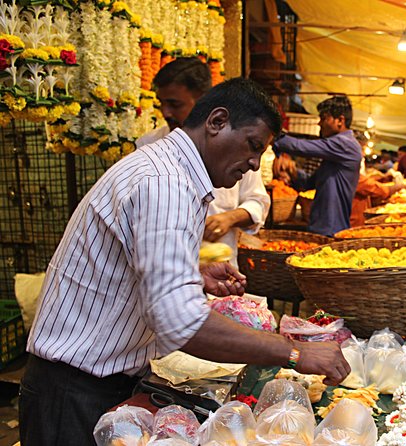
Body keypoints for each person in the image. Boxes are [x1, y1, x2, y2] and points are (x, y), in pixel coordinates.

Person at [19, 78, 351, 446]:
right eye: (253, 146)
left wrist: (191, 273)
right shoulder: (165, 182)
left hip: (95, 383)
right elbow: (182, 323)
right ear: (216, 122)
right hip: (73, 391)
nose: (255, 163)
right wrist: (294, 351)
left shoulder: (171, 173)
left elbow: (129, 263)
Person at [136, 58, 270, 269]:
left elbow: (258, 202)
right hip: (166, 269)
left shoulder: (236, 150)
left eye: (174, 104)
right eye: (161, 103)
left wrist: (229, 218)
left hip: (220, 270)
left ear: (202, 102)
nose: (165, 112)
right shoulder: (148, 147)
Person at [272, 95, 362, 236]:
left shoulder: (345, 144)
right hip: (321, 226)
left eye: (323, 118)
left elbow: (301, 146)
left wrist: (273, 134)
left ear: (340, 120)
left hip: (332, 229)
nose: (319, 124)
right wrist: (292, 169)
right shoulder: (335, 152)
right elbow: (309, 183)